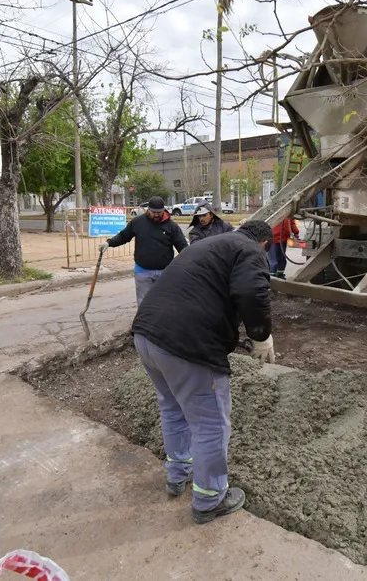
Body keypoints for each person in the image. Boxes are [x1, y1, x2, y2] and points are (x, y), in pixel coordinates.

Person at [131, 220, 276, 524]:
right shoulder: (250, 250)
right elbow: (251, 292)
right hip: (185, 345)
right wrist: (261, 335)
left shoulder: (209, 245)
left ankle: (177, 475)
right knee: (211, 424)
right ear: (265, 243)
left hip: (146, 335)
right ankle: (210, 500)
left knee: (173, 410)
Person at [100, 196, 187, 305]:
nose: (156, 215)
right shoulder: (137, 222)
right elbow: (124, 236)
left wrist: (189, 261)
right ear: (148, 210)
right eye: (153, 212)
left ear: (164, 210)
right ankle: (144, 322)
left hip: (165, 272)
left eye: (159, 212)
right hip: (143, 271)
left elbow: (182, 246)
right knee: (144, 303)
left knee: (164, 302)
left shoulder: (171, 226)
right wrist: (109, 243)